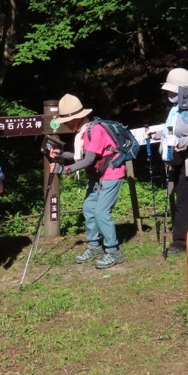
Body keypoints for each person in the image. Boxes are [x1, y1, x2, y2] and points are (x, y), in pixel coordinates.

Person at [47, 94, 126, 268]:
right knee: (89, 208)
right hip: (97, 175)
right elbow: (81, 156)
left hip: (111, 173)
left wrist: (64, 169)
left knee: (101, 212)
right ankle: (94, 246)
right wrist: (61, 155)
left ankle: (114, 251)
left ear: (77, 118)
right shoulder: (83, 133)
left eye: (67, 120)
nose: (66, 124)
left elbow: (88, 160)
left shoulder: (95, 130)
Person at [147, 68, 188, 255]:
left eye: (173, 91)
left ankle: (180, 243)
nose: (169, 94)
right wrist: (156, 134)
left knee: (184, 201)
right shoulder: (177, 108)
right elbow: (172, 131)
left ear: (183, 90)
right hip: (182, 160)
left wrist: (180, 142)